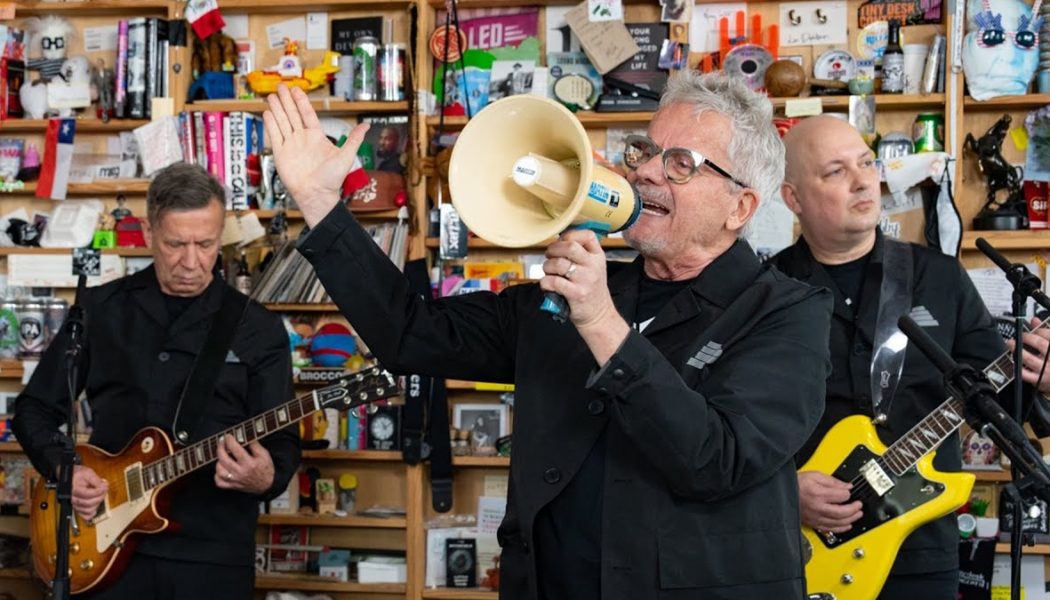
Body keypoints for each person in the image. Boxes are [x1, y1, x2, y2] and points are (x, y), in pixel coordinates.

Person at [264, 71, 832, 599]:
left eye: (682, 163)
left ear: (740, 206)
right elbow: (410, 334)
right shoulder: (573, 292)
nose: (648, 172)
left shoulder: (787, 311)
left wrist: (602, 322)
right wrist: (320, 203)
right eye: (645, 151)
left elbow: (717, 459)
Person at [13, 162, 300, 599]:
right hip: (104, 545)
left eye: (205, 244)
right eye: (174, 244)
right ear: (148, 234)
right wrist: (65, 469)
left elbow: (281, 445)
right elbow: (34, 410)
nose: (191, 262)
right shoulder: (100, 308)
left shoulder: (257, 328)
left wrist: (265, 477)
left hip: (213, 553)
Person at [772, 115, 1005, 599]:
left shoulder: (939, 278)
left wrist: (1042, 379)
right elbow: (722, 423)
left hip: (919, 552)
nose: (863, 181)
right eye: (835, 171)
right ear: (792, 198)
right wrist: (781, 489)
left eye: (866, 163)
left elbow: (1006, 405)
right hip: (796, 551)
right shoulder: (764, 293)